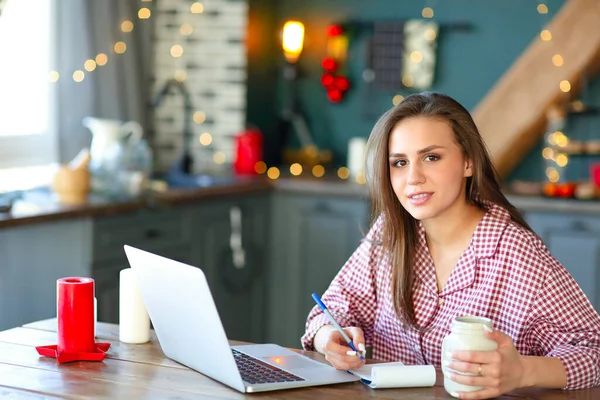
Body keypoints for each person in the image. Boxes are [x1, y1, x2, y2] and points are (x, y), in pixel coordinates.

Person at [301, 92, 600, 399]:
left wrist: (522, 371)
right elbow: (331, 310)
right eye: (400, 163)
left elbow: (594, 351)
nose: (413, 178)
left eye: (431, 157)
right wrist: (329, 338)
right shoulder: (391, 234)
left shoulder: (517, 253)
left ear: (468, 162)